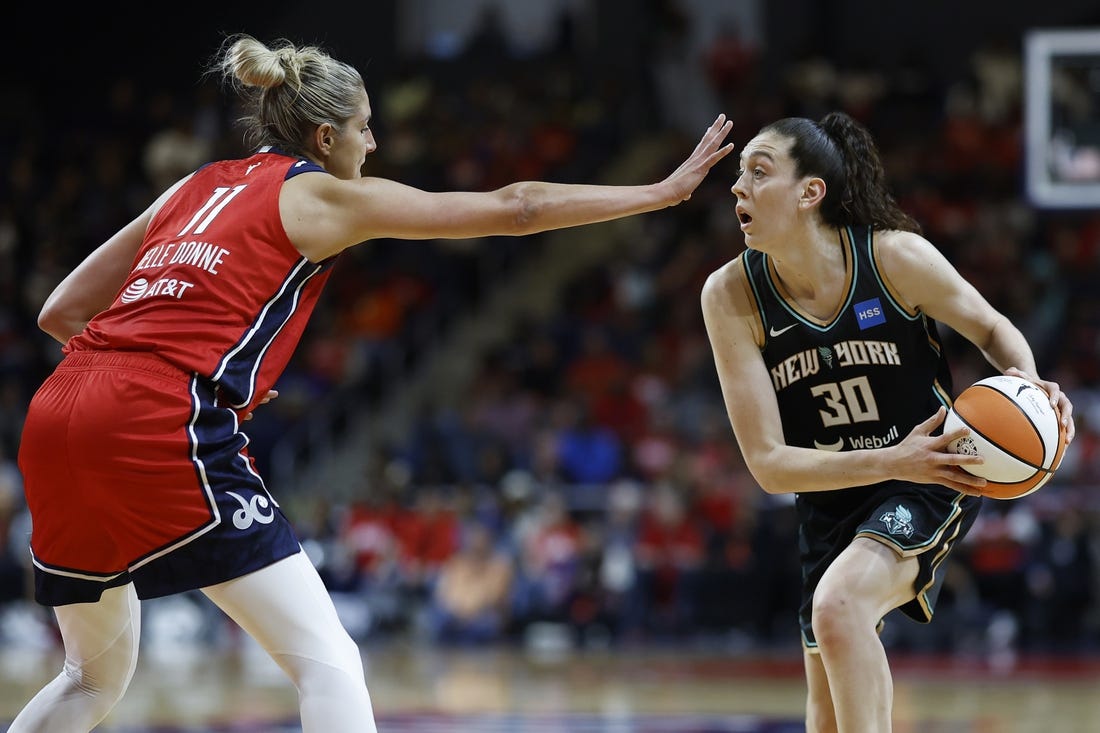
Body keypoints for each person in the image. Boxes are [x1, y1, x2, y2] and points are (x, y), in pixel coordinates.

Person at [11, 33, 733, 733]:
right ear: (325, 139)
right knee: (329, 664)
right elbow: (517, 206)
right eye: (365, 128)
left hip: (57, 410)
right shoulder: (321, 196)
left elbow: (61, 312)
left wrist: (156, 366)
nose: (374, 144)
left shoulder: (193, 185)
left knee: (89, 676)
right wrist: (659, 192)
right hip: (153, 413)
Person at [699, 112, 1075, 733]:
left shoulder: (893, 258)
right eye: (738, 175)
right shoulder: (730, 295)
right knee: (826, 710)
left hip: (931, 470)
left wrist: (1028, 383)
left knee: (840, 605)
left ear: (810, 192)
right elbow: (767, 464)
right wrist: (884, 459)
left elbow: (990, 328)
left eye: (758, 172)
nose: (737, 187)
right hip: (831, 491)